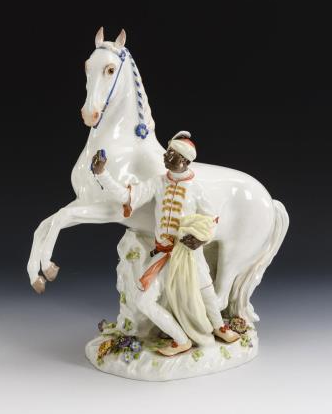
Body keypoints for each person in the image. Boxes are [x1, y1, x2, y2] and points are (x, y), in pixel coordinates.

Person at [91, 131, 239, 356]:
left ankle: (220, 327)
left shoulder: (196, 188)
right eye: (168, 151)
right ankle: (181, 339)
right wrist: (102, 174)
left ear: (185, 161)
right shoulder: (158, 183)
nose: (166, 156)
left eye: (172, 154)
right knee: (143, 300)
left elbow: (211, 220)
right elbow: (127, 196)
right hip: (163, 255)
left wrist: (201, 238)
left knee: (205, 289)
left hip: (188, 254)